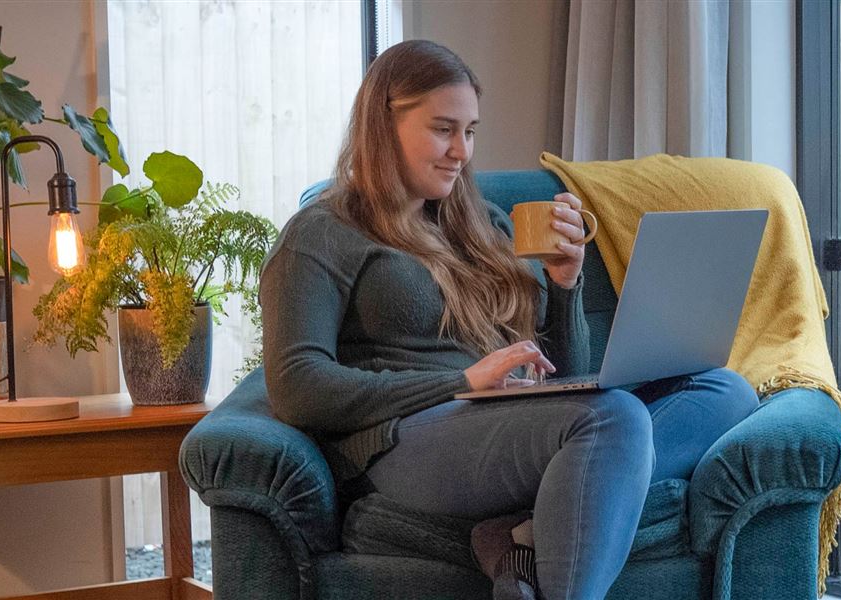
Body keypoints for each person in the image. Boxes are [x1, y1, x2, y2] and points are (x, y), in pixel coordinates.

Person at [260, 40, 759, 600]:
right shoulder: (323, 231)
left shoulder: (486, 225)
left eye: (470, 131)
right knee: (614, 420)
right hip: (407, 441)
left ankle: (519, 534)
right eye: (443, 129)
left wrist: (565, 284)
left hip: (518, 420)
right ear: (383, 124)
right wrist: (463, 381)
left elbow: (563, 374)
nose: (461, 152)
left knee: (726, 390)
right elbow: (296, 386)